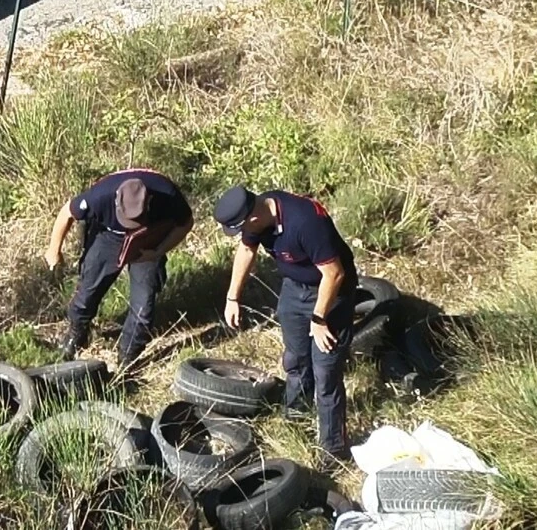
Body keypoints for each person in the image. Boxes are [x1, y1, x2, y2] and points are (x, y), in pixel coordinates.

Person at [213, 185, 358, 471]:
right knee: (296, 358)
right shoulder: (258, 218)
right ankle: (296, 418)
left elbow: (335, 273)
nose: (243, 233)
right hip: (294, 290)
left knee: (326, 373)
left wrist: (319, 319)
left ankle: (332, 452)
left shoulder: (306, 222)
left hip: (331, 292)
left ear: (253, 216)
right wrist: (232, 297)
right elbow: (246, 250)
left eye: (242, 227)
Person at [44, 169, 194, 369]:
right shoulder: (100, 196)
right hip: (108, 236)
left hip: (147, 240)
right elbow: (66, 213)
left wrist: (158, 251)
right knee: (87, 291)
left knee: (144, 308)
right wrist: (54, 250)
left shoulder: (167, 194)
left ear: (148, 201)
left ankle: (127, 357)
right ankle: (76, 334)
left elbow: (186, 223)